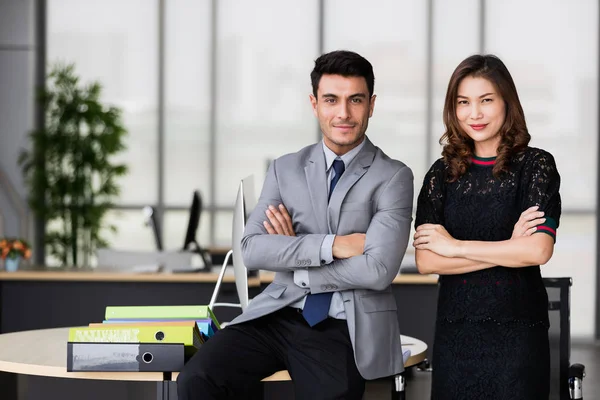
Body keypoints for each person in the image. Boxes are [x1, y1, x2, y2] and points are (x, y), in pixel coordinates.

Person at [176, 50, 414, 400]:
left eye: (356, 100)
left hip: (343, 326)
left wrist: (297, 261)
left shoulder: (393, 176)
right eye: (331, 100)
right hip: (277, 312)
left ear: (371, 105)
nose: (343, 113)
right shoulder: (285, 169)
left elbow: (378, 269)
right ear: (314, 103)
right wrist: (332, 245)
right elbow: (251, 248)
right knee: (198, 380)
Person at [413, 54, 561, 399]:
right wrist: (510, 247)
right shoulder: (440, 174)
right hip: (456, 334)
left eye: (486, 100)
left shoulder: (536, 165)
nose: (474, 114)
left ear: (507, 102)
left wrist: (456, 247)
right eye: (463, 102)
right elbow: (427, 262)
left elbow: (538, 250)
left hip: (518, 334)